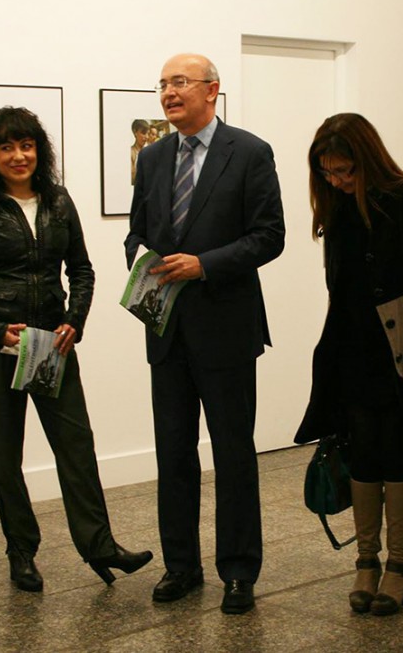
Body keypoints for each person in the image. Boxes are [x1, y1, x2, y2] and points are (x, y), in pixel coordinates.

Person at [0, 106, 153, 593]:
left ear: (39, 150)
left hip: (53, 347)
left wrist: (72, 323)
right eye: (6, 147)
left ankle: (99, 545)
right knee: (6, 455)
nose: (19, 156)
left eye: (27, 145)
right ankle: (21, 552)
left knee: (76, 447)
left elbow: (81, 270)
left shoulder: (59, 201)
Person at [124, 53, 285, 614]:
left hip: (226, 327)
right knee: (173, 453)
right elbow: (136, 230)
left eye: (180, 82)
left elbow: (270, 237)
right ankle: (181, 567)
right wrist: (141, 258)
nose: (169, 92)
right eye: (163, 83)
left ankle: (239, 571)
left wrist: (205, 264)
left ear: (212, 90)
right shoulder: (152, 157)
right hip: (166, 330)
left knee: (234, 453)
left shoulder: (250, 152)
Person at [294, 113, 403, 617]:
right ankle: (364, 562)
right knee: (360, 453)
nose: (337, 181)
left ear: (366, 159)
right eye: (328, 173)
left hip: (402, 351)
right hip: (349, 350)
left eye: (345, 171)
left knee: (396, 454)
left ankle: (400, 565)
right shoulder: (336, 207)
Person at [131, 119, 150, 184]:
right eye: (144, 133)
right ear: (135, 132)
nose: (147, 137)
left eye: (148, 133)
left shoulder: (150, 150)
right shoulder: (132, 152)